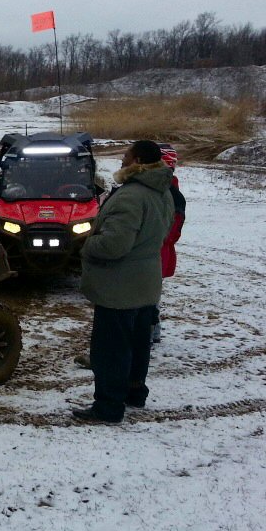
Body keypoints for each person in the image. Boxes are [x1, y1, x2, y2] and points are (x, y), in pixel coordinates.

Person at [72, 139, 174, 424]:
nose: (121, 159)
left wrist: (88, 245)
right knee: (138, 345)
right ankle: (134, 393)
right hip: (146, 283)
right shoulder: (162, 191)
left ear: (138, 161)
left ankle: (107, 407)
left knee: (110, 351)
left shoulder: (131, 196)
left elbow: (114, 245)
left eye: (126, 155)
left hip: (119, 288)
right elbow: (163, 231)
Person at [153, 143, 186, 344]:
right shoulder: (169, 190)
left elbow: (172, 231)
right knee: (150, 296)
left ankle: (149, 334)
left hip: (157, 253)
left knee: (149, 298)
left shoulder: (171, 193)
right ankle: (152, 332)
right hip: (158, 252)